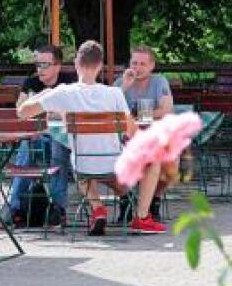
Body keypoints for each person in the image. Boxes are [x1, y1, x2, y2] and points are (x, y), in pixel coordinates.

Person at [18, 40, 166, 235]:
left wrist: (44, 94)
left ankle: (97, 208)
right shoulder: (114, 93)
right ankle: (142, 216)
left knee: (81, 161)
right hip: (114, 166)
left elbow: (22, 112)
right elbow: (133, 133)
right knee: (153, 160)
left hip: (82, 167)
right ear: (99, 66)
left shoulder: (63, 92)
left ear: (76, 64)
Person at [7, 46, 77, 227]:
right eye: (38, 64)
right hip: (38, 138)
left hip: (64, 141)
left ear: (58, 66)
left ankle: (58, 209)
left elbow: (72, 113)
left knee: (57, 147)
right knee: (27, 146)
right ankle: (16, 209)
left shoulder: (68, 83)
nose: (40, 69)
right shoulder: (31, 83)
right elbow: (20, 112)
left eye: (45, 64)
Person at [114, 45, 174, 222]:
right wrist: (124, 87)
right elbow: (107, 108)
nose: (137, 68)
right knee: (115, 157)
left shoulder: (159, 81)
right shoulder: (121, 82)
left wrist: (139, 117)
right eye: (134, 63)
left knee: (171, 162)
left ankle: (154, 200)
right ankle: (125, 201)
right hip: (126, 137)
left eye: (142, 64)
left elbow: (166, 109)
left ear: (151, 66)